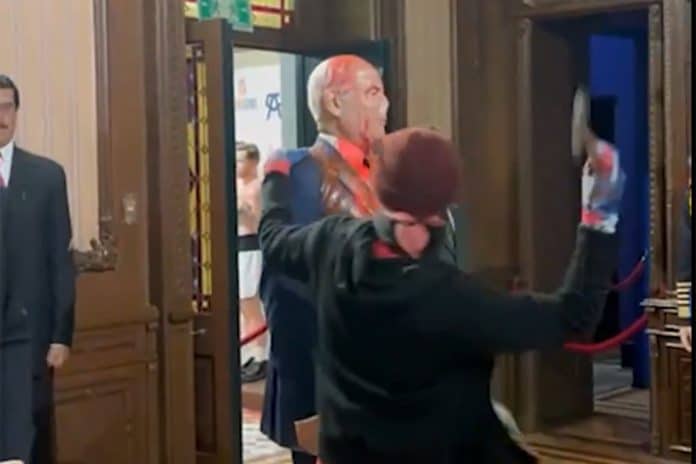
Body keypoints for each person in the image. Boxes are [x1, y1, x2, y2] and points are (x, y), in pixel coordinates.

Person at [258, 127, 624, 463]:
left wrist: (275, 176)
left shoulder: (331, 243)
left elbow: (273, 240)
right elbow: (573, 315)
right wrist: (600, 212)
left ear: (380, 191)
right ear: (442, 208)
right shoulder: (455, 300)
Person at [258, 54, 389, 464]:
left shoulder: (389, 170)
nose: (385, 105)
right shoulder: (302, 170)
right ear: (334, 102)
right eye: (373, 93)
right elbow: (286, 275)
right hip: (330, 371)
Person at [0, 75, 76, 463]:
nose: (0, 117)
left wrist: (61, 335)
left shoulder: (46, 176)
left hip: (28, 339)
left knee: (26, 443)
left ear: (16, 112)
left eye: (6, 107)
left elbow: (60, 260)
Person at [235, 142, 267, 383]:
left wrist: (244, 211)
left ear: (253, 162)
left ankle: (260, 356)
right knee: (242, 303)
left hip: (251, 245)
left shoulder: (257, 187)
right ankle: (251, 354)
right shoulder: (238, 186)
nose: (237, 166)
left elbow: (259, 221)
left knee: (250, 302)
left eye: (241, 160)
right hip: (238, 245)